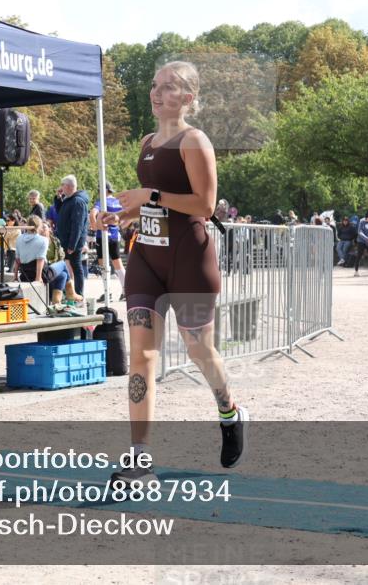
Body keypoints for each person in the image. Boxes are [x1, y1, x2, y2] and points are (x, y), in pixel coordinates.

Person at [100, 61, 246, 485]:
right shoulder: (146, 142)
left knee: (200, 351)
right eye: (154, 85)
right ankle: (139, 457)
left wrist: (152, 194)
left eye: (168, 87)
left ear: (187, 98)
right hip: (147, 256)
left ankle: (230, 411)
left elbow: (204, 204)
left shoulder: (195, 141)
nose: (156, 92)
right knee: (142, 355)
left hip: (189, 261)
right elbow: (147, 205)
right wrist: (116, 216)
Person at [14, 215, 71, 305]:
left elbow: (17, 259)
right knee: (63, 264)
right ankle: (71, 292)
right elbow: (40, 259)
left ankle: (56, 301)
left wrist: (15, 276)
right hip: (43, 274)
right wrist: (38, 277)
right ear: (39, 226)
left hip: (25, 275)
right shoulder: (43, 240)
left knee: (63, 275)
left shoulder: (19, 238)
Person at [56, 175, 91, 298]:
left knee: (76, 266)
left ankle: (79, 294)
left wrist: (72, 244)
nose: (61, 188)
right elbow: (59, 212)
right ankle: (68, 292)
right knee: (65, 265)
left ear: (69, 186)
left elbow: (78, 225)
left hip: (73, 241)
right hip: (65, 239)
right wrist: (58, 198)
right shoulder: (69, 199)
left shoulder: (78, 201)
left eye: (62, 185)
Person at [91, 183, 126, 303]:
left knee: (103, 264)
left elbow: (92, 213)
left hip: (103, 235)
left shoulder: (102, 201)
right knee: (118, 263)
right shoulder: (117, 201)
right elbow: (124, 217)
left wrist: (94, 226)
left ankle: (107, 292)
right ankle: (126, 291)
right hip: (115, 235)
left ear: (104, 190)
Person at [354, 211, 368, 276]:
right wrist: (366, 238)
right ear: (366, 217)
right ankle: (356, 271)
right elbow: (360, 232)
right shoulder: (361, 222)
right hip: (361, 241)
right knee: (359, 255)